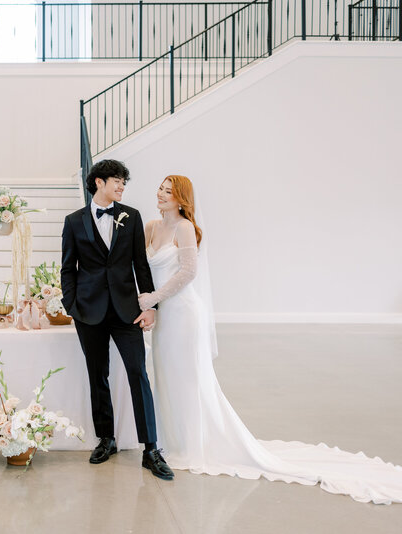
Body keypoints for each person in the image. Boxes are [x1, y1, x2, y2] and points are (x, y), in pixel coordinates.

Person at [138, 174, 402, 504]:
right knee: (165, 376)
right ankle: (168, 440)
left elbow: (188, 273)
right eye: (160, 189)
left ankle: (192, 444)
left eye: (168, 191)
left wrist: (154, 298)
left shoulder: (184, 228)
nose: (160, 194)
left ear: (181, 199)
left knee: (188, 378)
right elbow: (142, 268)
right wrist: (149, 303)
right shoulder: (150, 227)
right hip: (163, 315)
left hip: (183, 314)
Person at [60, 159, 174, 480]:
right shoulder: (73, 221)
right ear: (99, 182)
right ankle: (106, 439)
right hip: (89, 312)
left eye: (124, 182)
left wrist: (150, 305)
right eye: (117, 181)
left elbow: (141, 265)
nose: (122, 186)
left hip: (127, 311)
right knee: (98, 376)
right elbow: (68, 269)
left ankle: (151, 448)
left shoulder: (132, 217)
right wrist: (72, 305)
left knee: (138, 373)